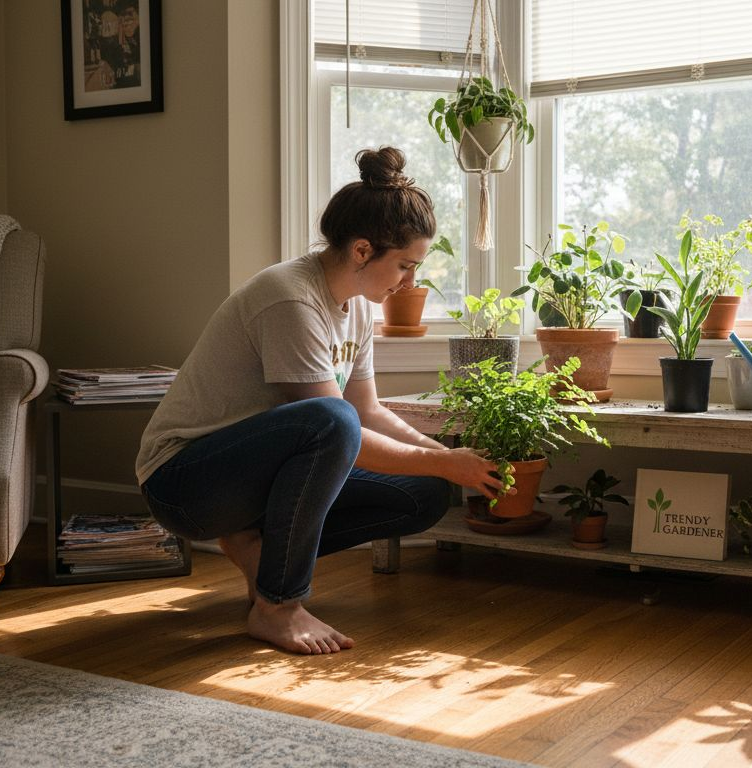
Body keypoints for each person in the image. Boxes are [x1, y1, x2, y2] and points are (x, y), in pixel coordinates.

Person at [135, 147, 508, 655]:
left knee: (424, 493)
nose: (410, 281)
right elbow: (339, 427)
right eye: (404, 265)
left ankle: (259, 549)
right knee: (331, 420)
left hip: (254, 477)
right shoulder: (290, 298)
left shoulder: (356, 307)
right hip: (185, 482)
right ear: (361, 251)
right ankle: (278, 605)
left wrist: (445, 461)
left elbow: (369, 411)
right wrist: (444, 461)